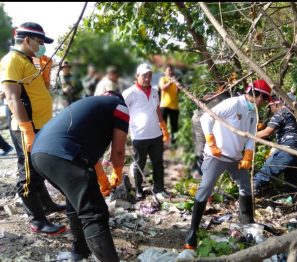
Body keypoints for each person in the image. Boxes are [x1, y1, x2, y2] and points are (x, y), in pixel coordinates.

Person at [31, 93, 129, 261]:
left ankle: (80, 250)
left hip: (38, 154)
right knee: (94, 213)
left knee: (75, 200)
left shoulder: (86, 106)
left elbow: (90, 159)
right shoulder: (120, 106)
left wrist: (101, 179)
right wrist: (117, 172)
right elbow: (118, 151)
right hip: (62, 153)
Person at [184, 79, 272, 249]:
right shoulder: (233, 104)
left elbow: (250, 136)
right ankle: (192, 232)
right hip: (217, 155)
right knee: (205, 189)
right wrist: (211, 142)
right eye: (266, 99)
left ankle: (248, 223)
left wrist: (248, 154)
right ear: (259, 96)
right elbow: (206, 118)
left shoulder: (253, 112)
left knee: (246, 187)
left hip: (236, 158)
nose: (265, 103)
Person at [0, 22, 66, 234]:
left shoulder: (29, 60)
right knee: (27, 173)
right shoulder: (11, 60)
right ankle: (37, 220)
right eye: (39, 42)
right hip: (27, 127)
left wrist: (46, 74)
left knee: (38, 169)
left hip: (40, 124)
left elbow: (38, 90)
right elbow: (12, 97)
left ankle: (46, 205)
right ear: (26, 40)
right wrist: (28, 131)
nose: (41, 47)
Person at [122, 63, 170, 200]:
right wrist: (123, 132)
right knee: (139, 164)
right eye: (144, 76)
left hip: (156, 135)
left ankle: (159, 188)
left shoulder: (155, 92)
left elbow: (157, 110)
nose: (148, 78)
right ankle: (138, 189)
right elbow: (122, 111)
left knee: (158, 163)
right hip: (139, 136)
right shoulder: (129, 93)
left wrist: (164, 128)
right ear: (137, 76)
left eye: (149, 75)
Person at [253, 95, 297, 195]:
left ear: (276, 104)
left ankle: (247, 199)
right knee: (292, 183)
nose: (271, 110)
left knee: (263, 175)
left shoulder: (282, 112)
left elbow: (266, 132)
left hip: (289, 150)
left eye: (270, 107)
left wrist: (247, 138)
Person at [159, 65, 180, 145]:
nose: (170, 72)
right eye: (169, 70)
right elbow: (162, 88)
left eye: (171, 70)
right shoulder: (163, 79)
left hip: (174, 106)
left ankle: (173, 144)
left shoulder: (175, 80)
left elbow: (177, 92)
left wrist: (178, 85)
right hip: (164, 105)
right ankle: (161, 142)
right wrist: (171, 82)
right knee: (163, 126)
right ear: (165, 72)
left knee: (174, 126)